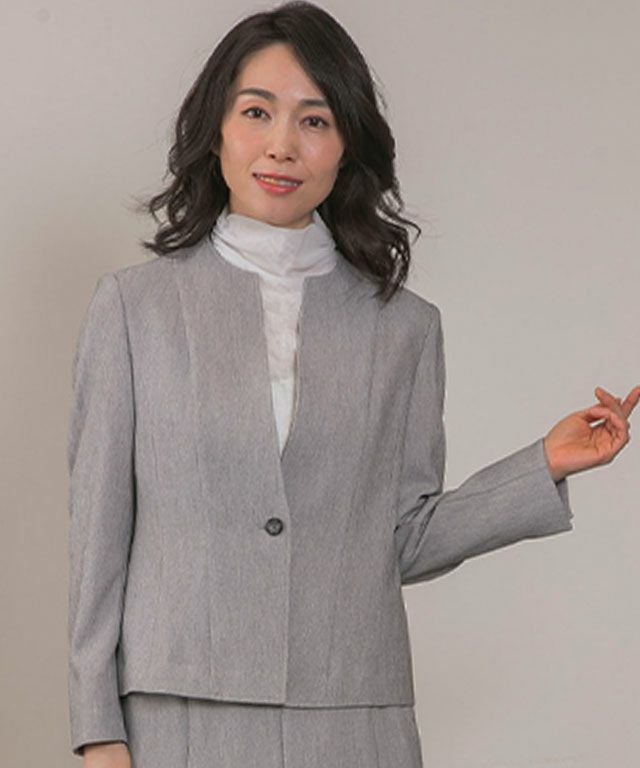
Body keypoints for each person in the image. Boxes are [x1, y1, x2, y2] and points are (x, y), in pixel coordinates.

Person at [67, 2, 639, 766]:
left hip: (353, 716)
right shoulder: (134, 310)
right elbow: (99, 537)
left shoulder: (405, 329)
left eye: (314, 120)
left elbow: (400, 538)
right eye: (256, 112)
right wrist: (97, 728)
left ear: (346, 146)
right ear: (216, 129)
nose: (281, 145)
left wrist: (544, 465)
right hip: (178, 715)